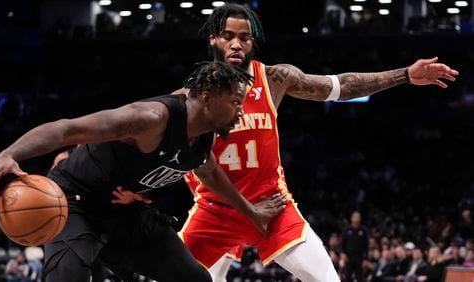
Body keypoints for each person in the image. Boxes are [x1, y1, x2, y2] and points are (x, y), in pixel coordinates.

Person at [176, 3, 459, 282]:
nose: (236, 44)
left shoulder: (273, 78)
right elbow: (144, 135)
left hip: (273, 207)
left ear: (253, 42)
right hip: (215, 212)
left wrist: (406, 74)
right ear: (213, 38)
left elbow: (343, 86)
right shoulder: (188, 99)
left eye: (244, 37)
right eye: (228, 36)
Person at [0, 62, 287, 282]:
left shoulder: (203, 138)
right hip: (76, 203)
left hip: (125, 214)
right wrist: (8, 155)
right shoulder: (150, 119)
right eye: (236, 101)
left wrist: (252, 212)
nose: (241, 111)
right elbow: (66, 130)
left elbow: (212, 176)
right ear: (207, 97)